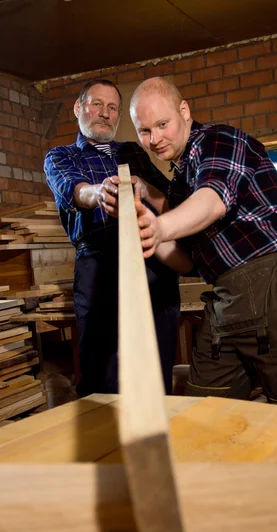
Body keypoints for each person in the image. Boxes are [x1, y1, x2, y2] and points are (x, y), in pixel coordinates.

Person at [129, 76, 277, 426]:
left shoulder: (219, 140)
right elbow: (187, 261)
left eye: (162, 124)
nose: (155, 139)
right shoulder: (180, 185)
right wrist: (147, 236)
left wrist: (161, 225)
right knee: (203, 414)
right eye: (144, 131)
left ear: (184, 110)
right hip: (226, 297)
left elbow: (214, 200)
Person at [44, 78, 192, 397]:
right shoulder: (60, 156)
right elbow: (75, 190)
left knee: (158, 359)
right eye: (96, 104)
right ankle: (103, 438)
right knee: (101, 369)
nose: (104, 113)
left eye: (112, 108)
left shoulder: (132, 152)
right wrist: (100, 193)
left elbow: (165, 195)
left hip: (151, 259)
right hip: (98, 261)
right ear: (78, 108)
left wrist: (143, 187)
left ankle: (156, 431)